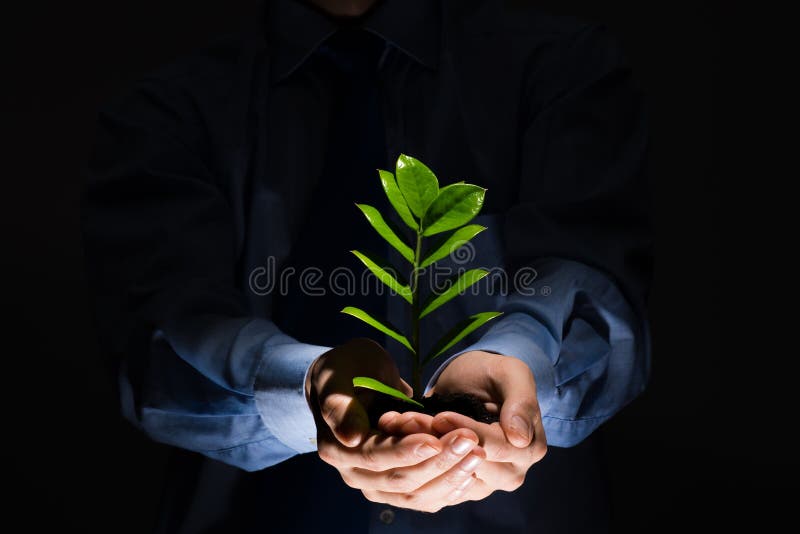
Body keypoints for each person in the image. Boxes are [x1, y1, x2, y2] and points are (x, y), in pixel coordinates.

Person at [83, 0, 652, 531]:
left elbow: (596, 295)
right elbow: (155, 350)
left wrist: (516, 360)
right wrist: (306, 384)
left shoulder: (559, 70)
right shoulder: (168, 114)